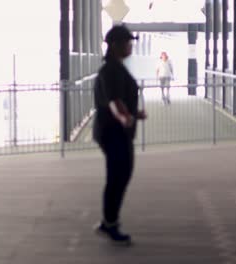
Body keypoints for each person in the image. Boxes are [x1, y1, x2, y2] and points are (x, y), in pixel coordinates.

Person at [92, 25, 147, 246]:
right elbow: (114, 101)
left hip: (116, 131)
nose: (130, 45)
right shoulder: (111, 70)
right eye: (127, 42)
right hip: (113, 132)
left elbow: (119, 99)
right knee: (117, 177)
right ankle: (109, 223)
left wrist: (134, 114)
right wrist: (125, 117)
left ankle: (110, 221)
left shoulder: (116, 67)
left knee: (120, 175)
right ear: (114, 45)